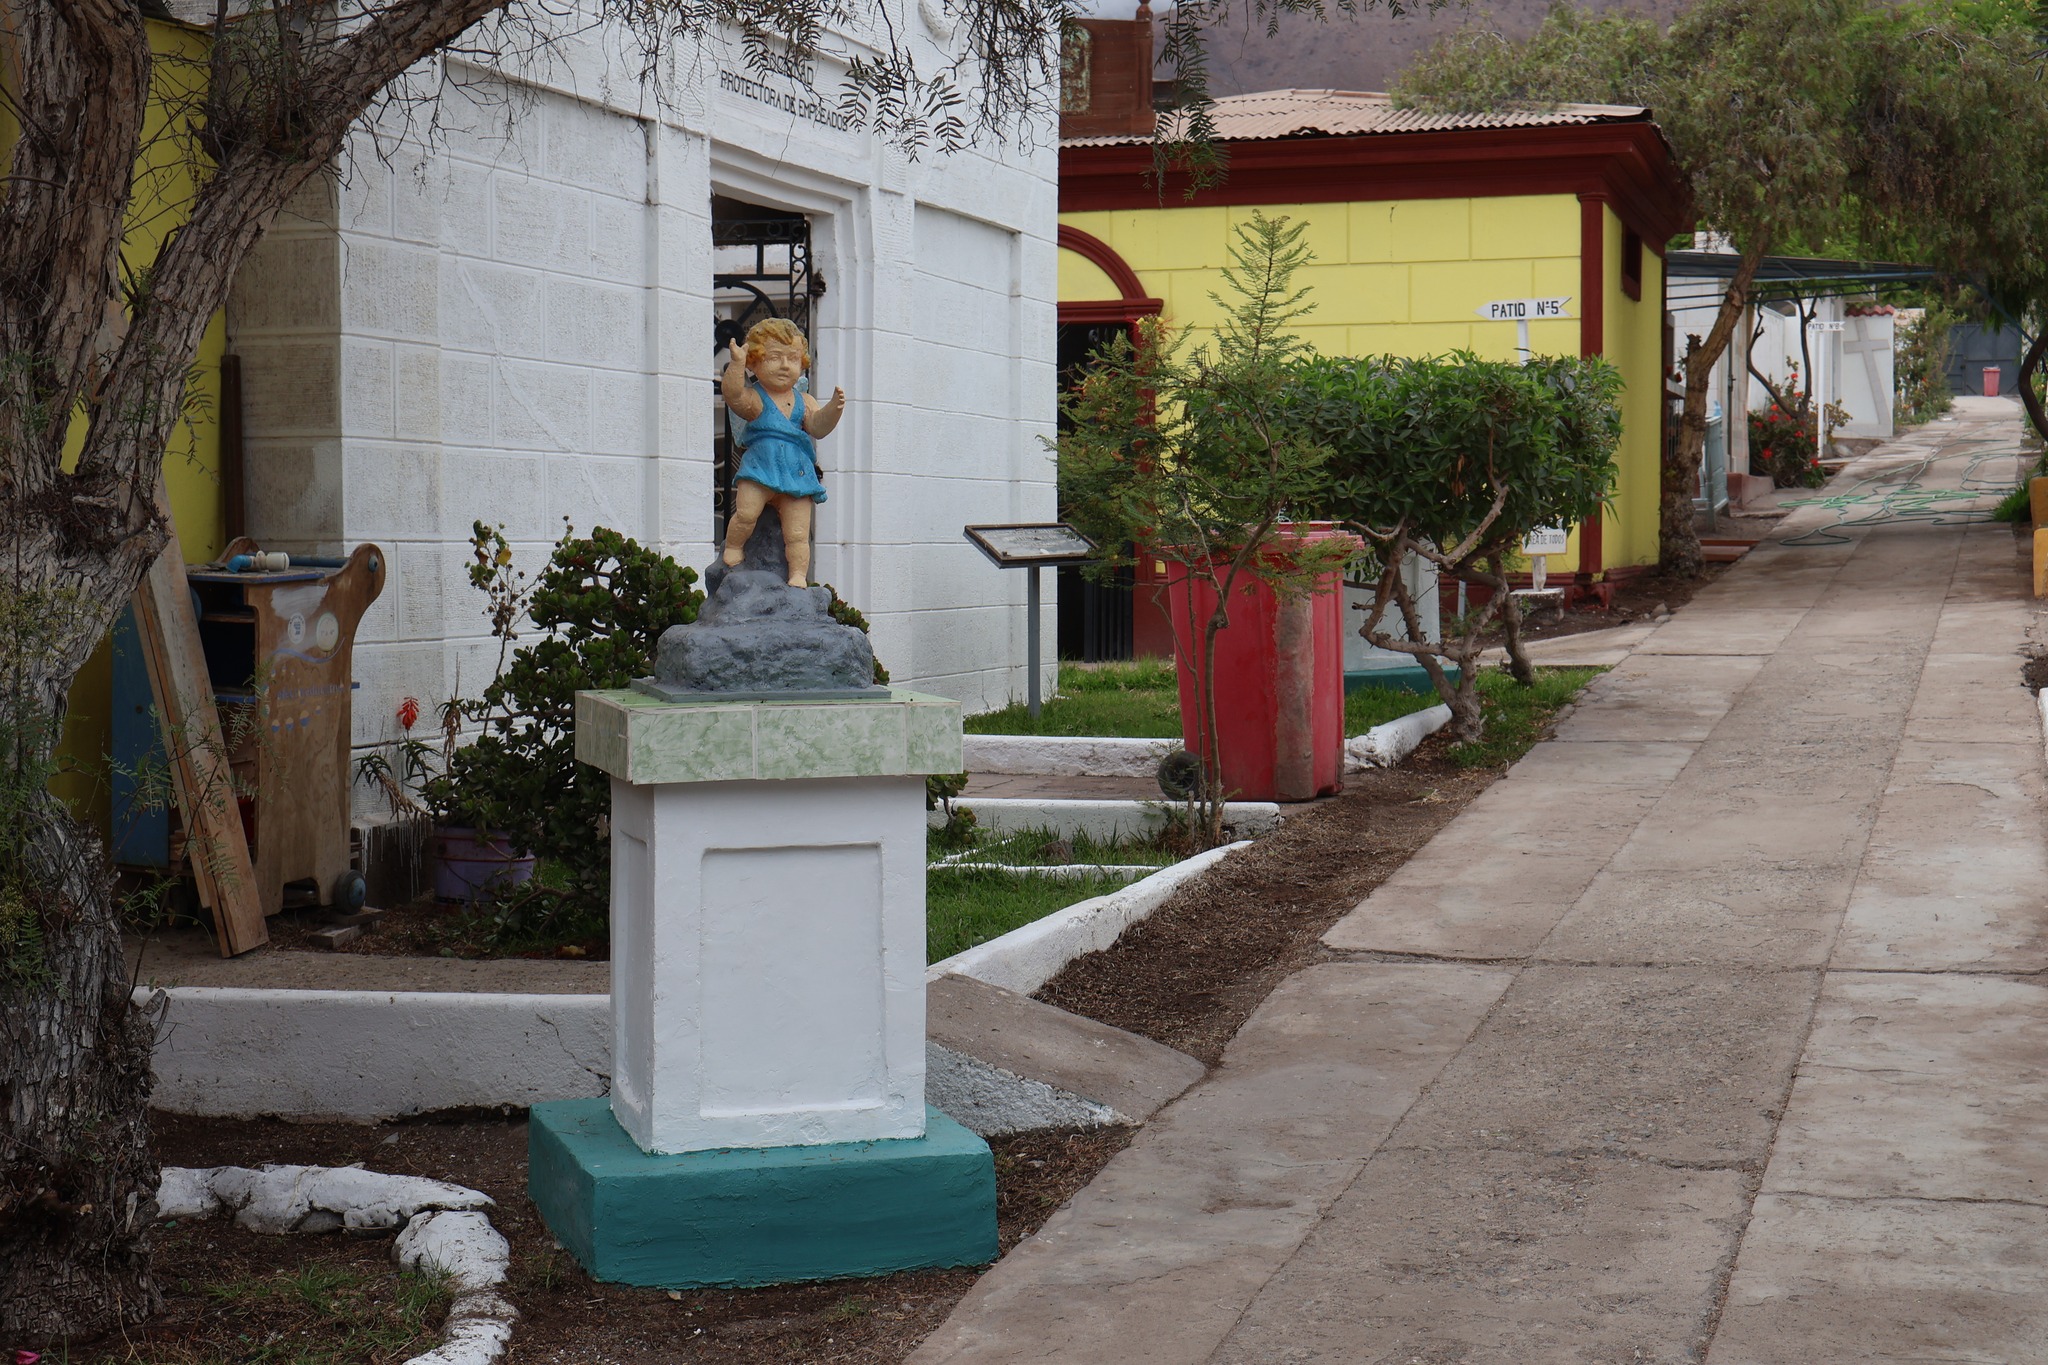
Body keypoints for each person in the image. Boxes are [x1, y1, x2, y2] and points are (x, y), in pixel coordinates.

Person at [720, 318, 845, 588]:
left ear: (802, 364)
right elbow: (733, 396)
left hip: (796, 474)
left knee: (798, 533)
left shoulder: (804, 400)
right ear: (755, 362)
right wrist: (736, 364)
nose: (785, 365)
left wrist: (834, 409)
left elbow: (817, 427)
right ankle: (733, 546)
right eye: (774, 357)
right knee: (746, 513)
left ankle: (798, 574)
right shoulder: (756, 396)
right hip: (760, 468)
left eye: (792, 358)